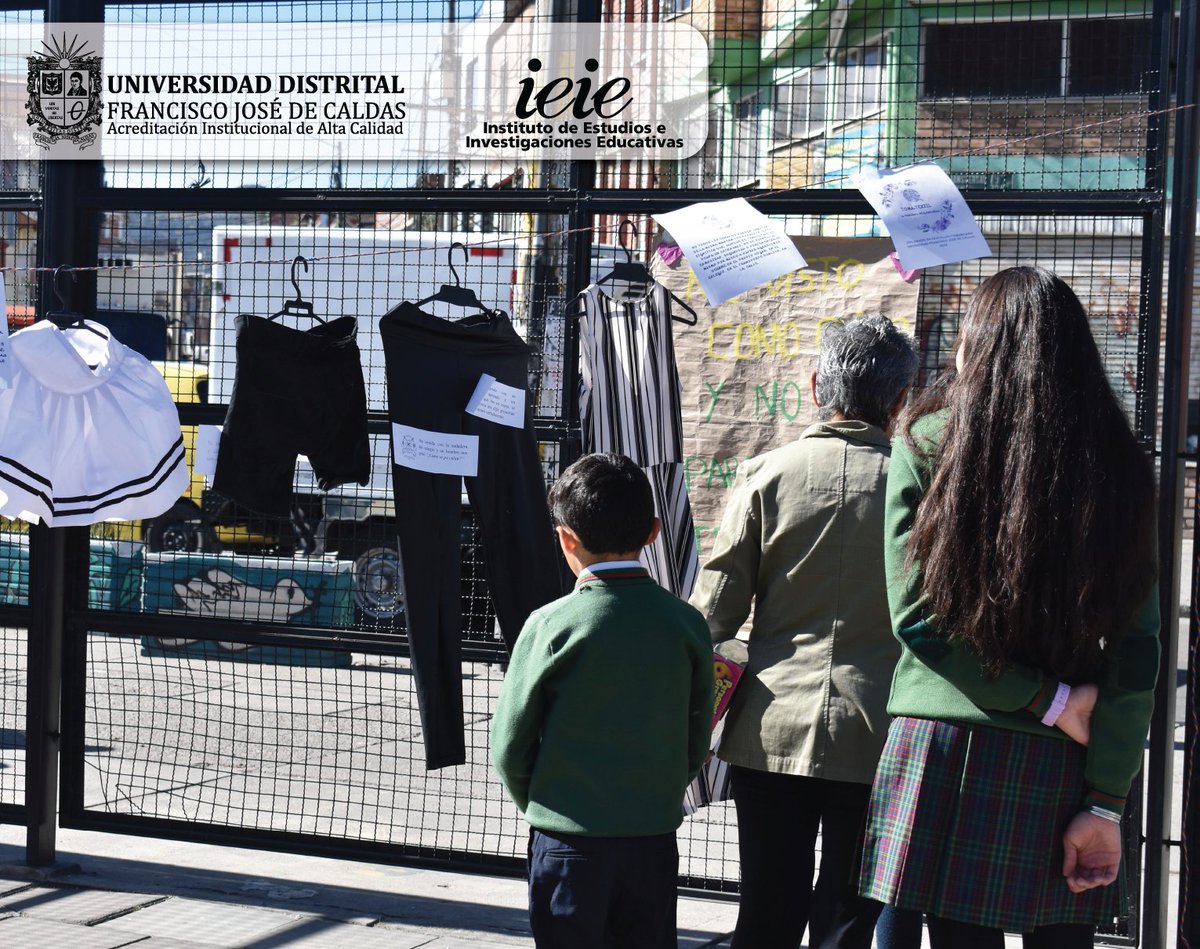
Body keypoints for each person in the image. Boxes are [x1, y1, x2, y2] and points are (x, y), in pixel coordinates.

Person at [859, 267, 1160, 948]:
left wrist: (1042, 697)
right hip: (1067, 756)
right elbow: (1139, 650)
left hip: (946, 742)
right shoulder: (1120, 466)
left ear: (977, 344)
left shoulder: (928, 439)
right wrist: (1106, 796)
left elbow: (916, 616)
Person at [690, 314, 919, 949]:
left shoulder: (765, 475)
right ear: (900, 401)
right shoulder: (923, 487)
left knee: (766, 906)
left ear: (818, 385)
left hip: (768, 726)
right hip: (882, 730)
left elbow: (713, 614)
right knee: (849, 915)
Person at [490, 452, 714, 949]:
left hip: (567, 841)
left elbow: (509, 744)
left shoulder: (550, 625)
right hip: (652, 840)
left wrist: (547, 803)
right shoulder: (685, 624)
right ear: (654, 531)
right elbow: (698, 735)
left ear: (566, 538)